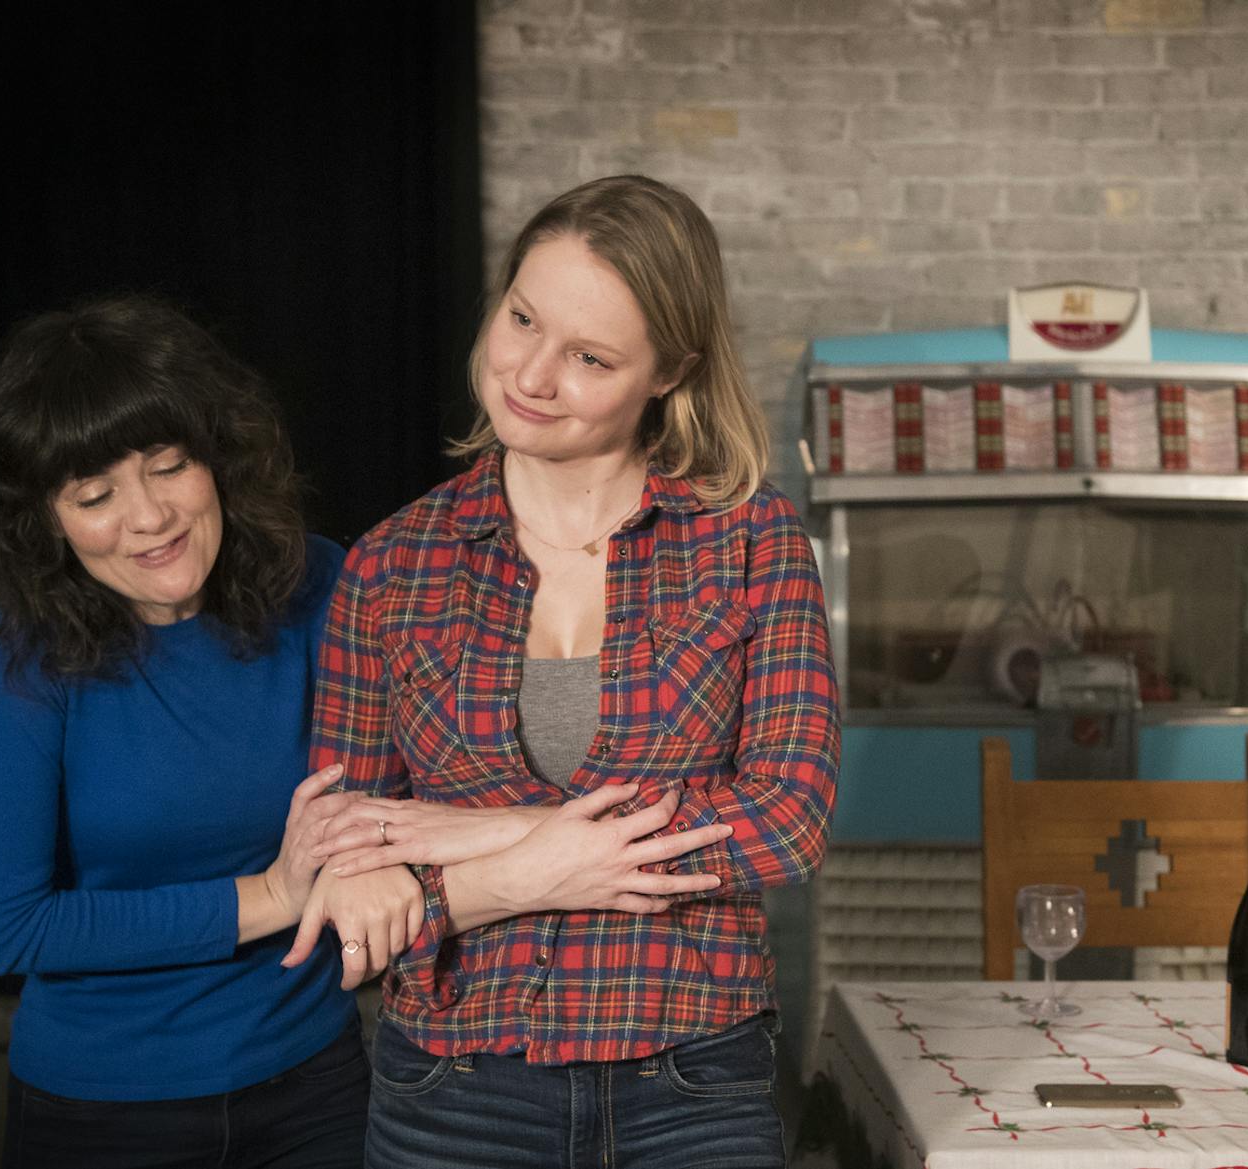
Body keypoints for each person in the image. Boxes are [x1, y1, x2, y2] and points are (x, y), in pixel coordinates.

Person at [290, 174, 840, 1168]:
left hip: (692, 1078)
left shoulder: (752, 541)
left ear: (669, 370)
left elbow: (789, 817)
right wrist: (523, 865)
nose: (531, 374)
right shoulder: (390, 564)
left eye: (589, 356)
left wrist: (496, 838)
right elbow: (350, 850)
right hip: (452, 1084)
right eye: (522, 319)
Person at [0, 295, 392, 1167]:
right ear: (47, 517)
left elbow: (400, 793)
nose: (149, 516)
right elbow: (5, 925)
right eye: (94, 493)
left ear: (215, 459)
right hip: (99, 1109)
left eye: (168, 464)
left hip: (314, 1084)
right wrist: (268, 895)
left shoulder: (320, 585)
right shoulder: (23, 650)